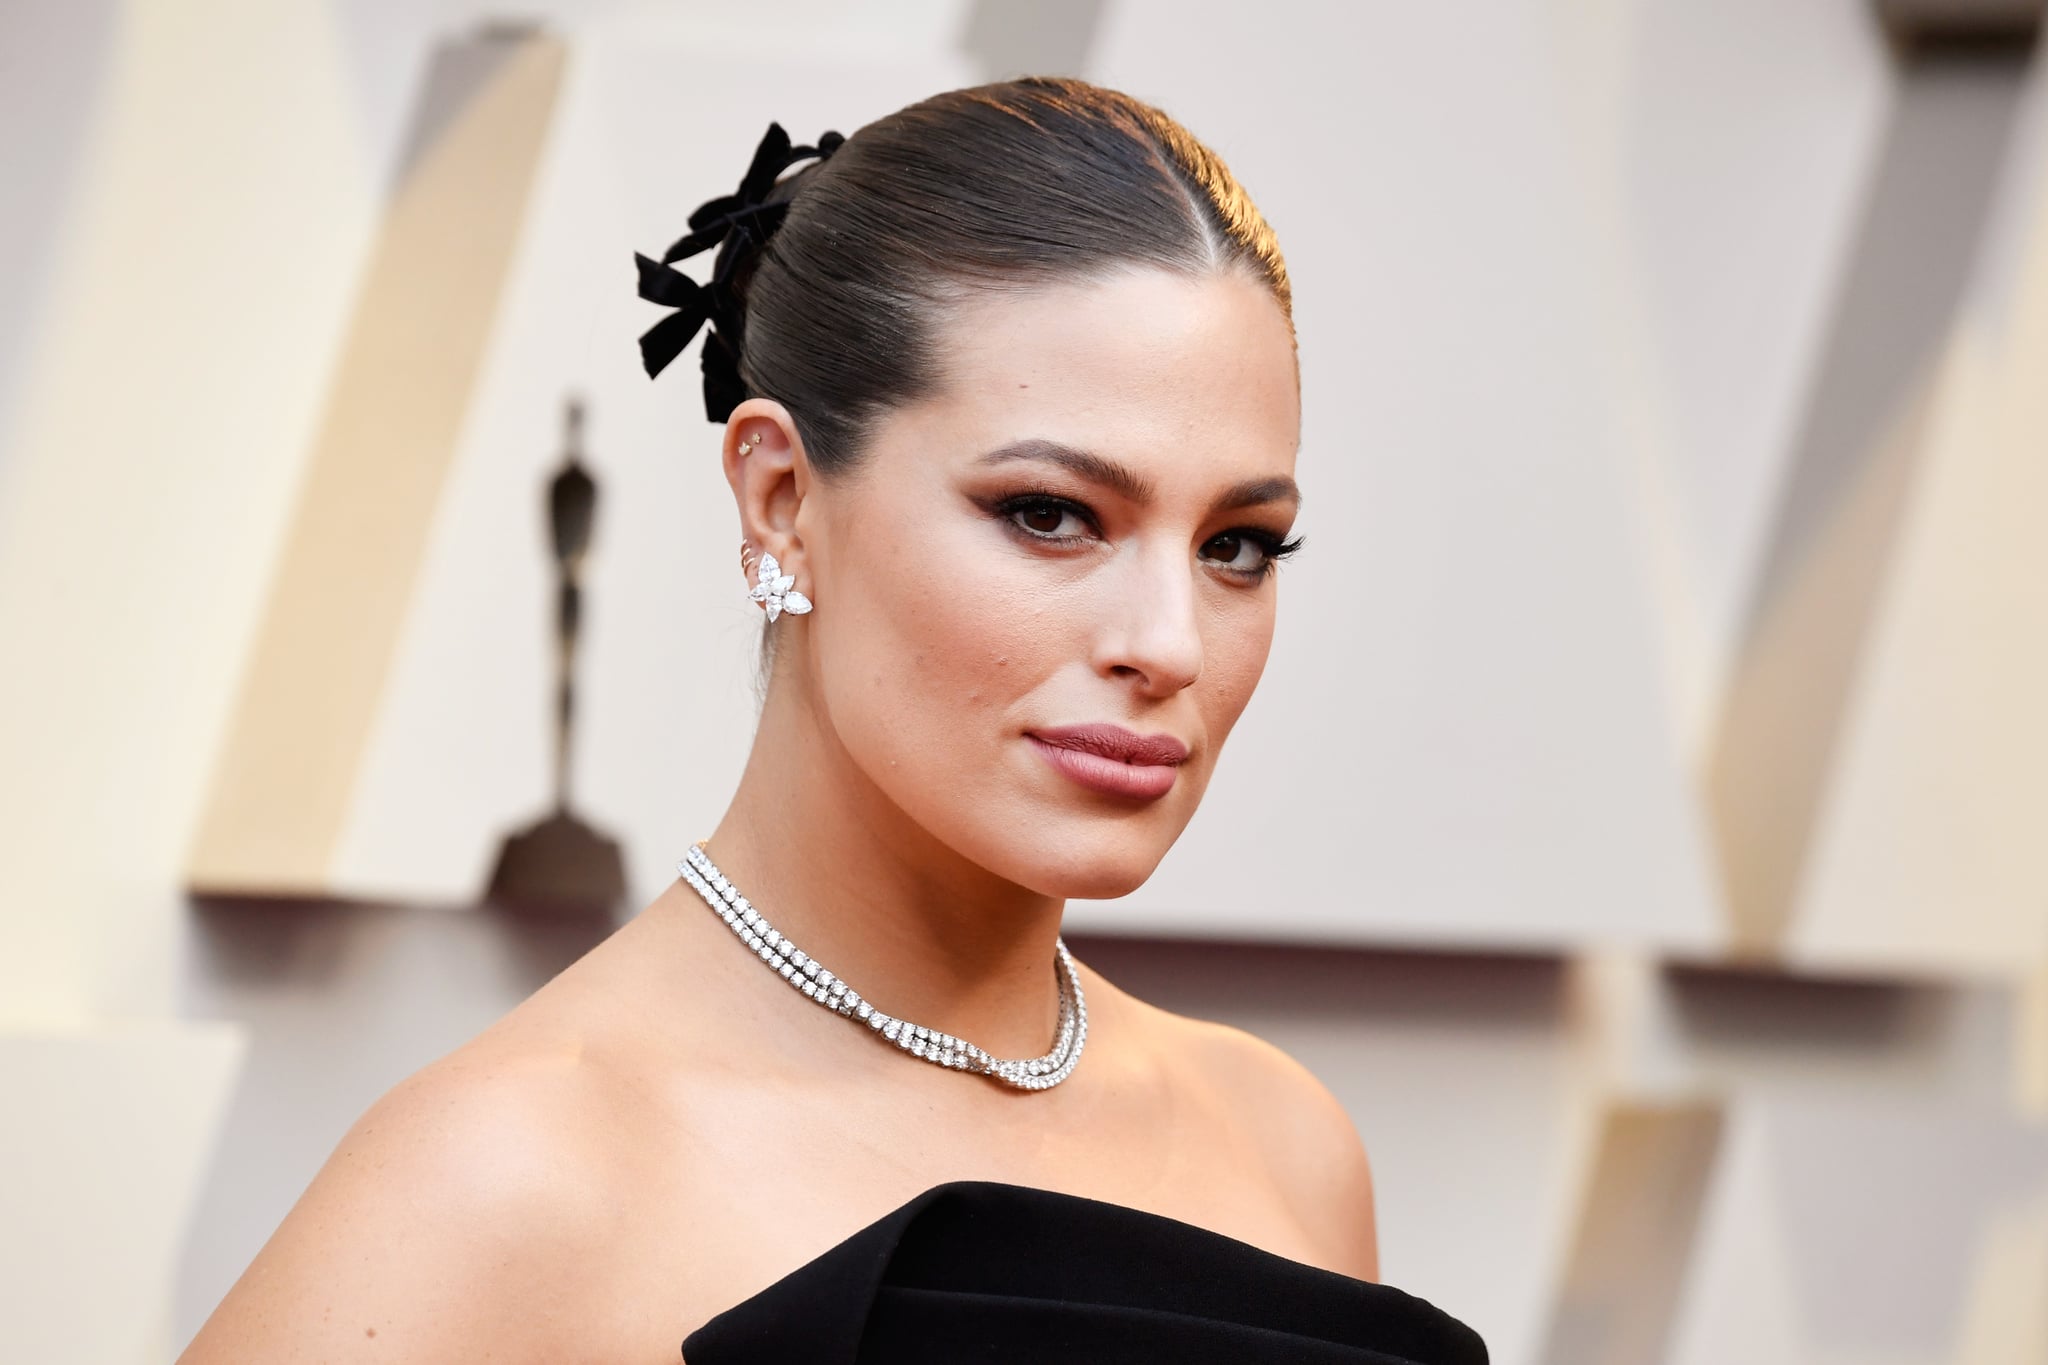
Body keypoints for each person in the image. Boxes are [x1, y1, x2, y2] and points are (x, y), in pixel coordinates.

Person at [180, 77, 1487, 1363]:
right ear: (782, 498)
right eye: (1050, 512)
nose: (1168, 641)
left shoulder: (1286, 1148)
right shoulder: (509, 1184)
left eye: (1240, 545)